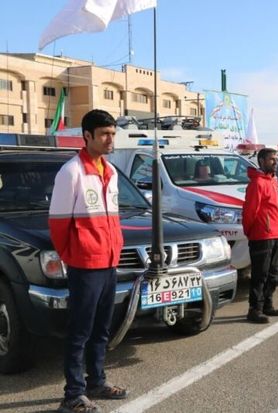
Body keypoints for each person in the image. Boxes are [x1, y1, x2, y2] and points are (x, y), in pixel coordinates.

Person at [49, 109, 127, 413]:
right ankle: (73, 394)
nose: (110, 140)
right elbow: (58, 225)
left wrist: (113, 250)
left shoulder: (111, 172)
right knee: (80, 330)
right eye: (105, 134)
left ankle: (97, 381)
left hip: (108, 263)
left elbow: (113, 220)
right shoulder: (71, 172)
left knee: (101, 329)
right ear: (87, 136)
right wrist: (76, 255)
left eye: (113, 134)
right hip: (85, 265)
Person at [242, 148, 278, 324]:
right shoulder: (257, 183)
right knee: (260, 274)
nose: (275, 162)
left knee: (273, 273)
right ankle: (255, 309)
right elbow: (250, 212)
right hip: (262, 235)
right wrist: (250, 232)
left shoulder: (273, 181)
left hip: (276, 233)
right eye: (271, 159)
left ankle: (268, 304)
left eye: (276, 159)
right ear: (261, 161)